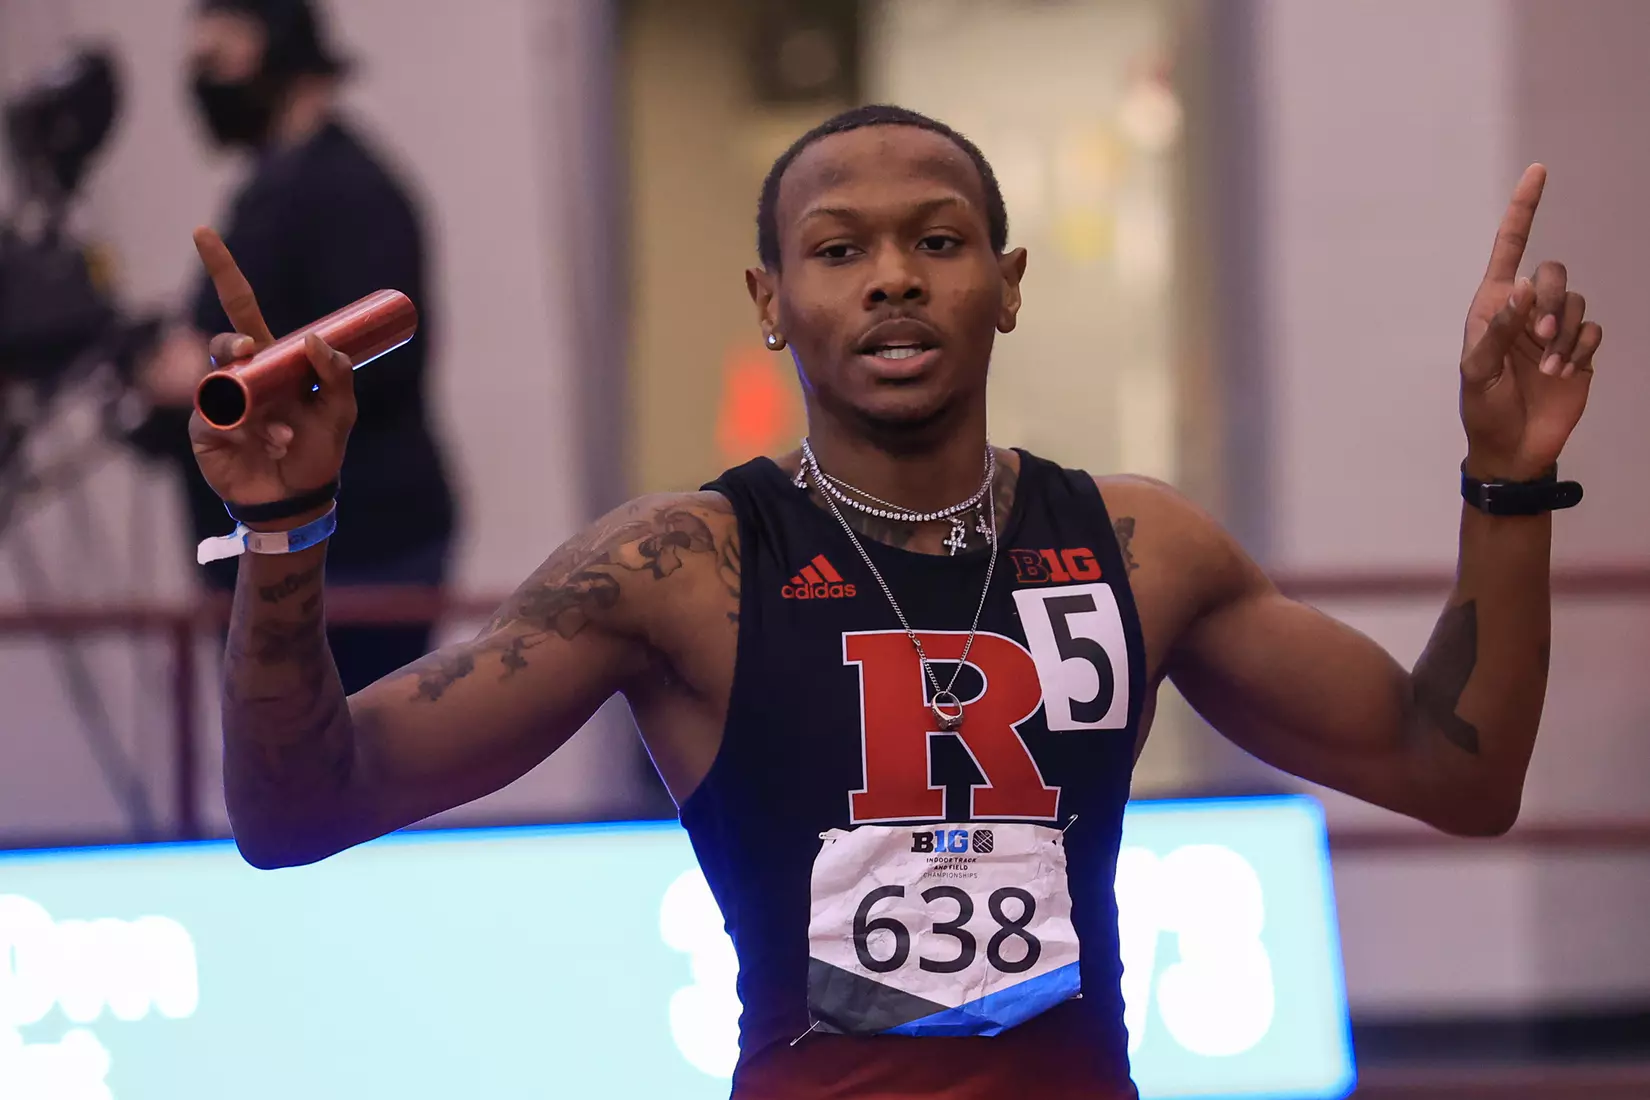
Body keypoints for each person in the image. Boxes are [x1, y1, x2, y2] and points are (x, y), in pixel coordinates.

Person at [187, 104, 1601, 1099]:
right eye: (837, 249)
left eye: (936, 240)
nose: (891, 281)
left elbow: (1452, 769)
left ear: (1007, 285)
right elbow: (298, 811)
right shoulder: (681, 568)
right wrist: (284, 529)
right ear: (769, 295)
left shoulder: (1136, 542)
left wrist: (1504, 480)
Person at [127, 0, 455, 694]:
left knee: (338, 770)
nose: (204, 83)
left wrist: (239, 382)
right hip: (283, 547)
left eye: (219, 60)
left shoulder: (350, 191)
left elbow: (380, 361)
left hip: (354, 553)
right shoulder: (269, 188)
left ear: (281, 50)